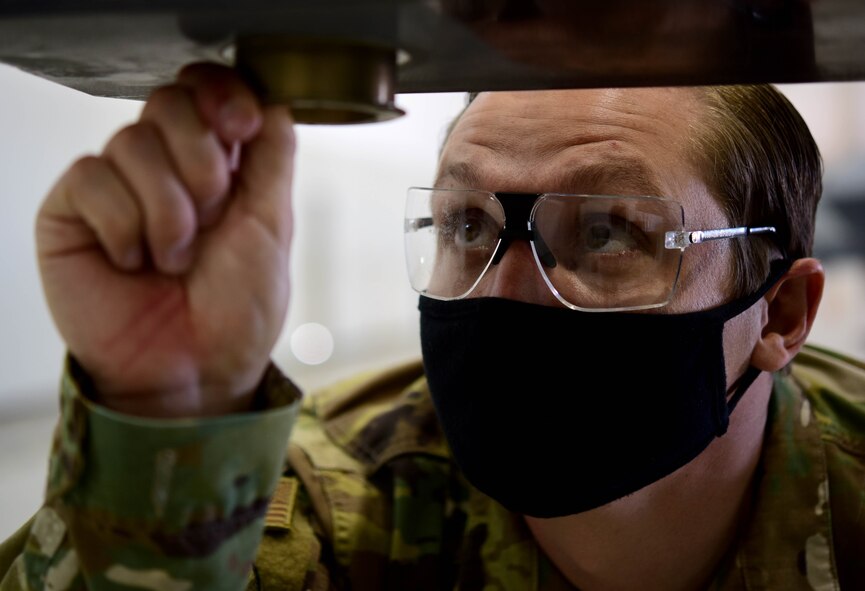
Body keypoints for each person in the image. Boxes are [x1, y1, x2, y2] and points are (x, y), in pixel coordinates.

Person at [0, 62, 863, 591]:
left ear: (779, 313)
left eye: (605, 231)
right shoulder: (336, 497)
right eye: (468, 225)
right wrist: (165, 421)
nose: (508, 289)